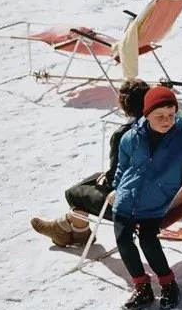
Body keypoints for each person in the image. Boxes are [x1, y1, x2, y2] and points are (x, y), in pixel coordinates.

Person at [112, 85, 182, 310]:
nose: (166, 120)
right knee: (123, 241)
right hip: (127, 198)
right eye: (160, 116)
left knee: (148, 241)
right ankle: (141, 286)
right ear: (147, 115)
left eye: (171, 115)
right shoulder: (130, 138)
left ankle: (168, 283)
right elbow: (122, 166)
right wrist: (116, 188)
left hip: (156, 202)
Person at [29, 79, 150, 247]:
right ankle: (72, 230)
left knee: (74, 194)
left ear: (123, 106)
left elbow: (117, 179)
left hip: (135, 207)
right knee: (94, 178)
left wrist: (107, 180)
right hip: (160, 196)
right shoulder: (161, 127)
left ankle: (74, 230)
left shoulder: (124, 134)